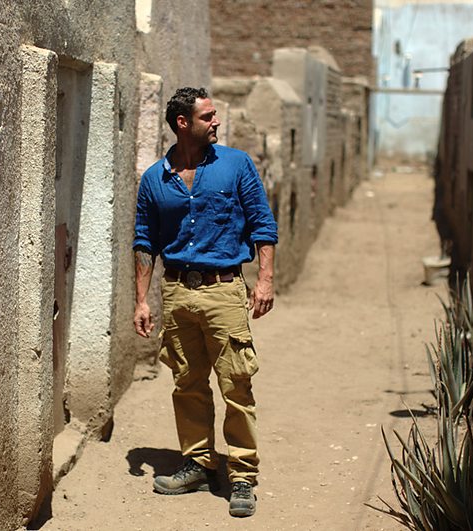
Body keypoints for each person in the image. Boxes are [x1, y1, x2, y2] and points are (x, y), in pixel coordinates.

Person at [132, 86, 278, 518]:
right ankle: (197, 462)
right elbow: (144, 241)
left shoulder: (236, 165)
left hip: (224, 290)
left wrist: (264, 281)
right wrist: (142, 300)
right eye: (208, 116)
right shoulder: (154, 179)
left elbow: (262, 224)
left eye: (214, 115)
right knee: (187, 382)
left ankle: (242, 475)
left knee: (236, 383)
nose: (216, 122)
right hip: (176, 291)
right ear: (183, 123)